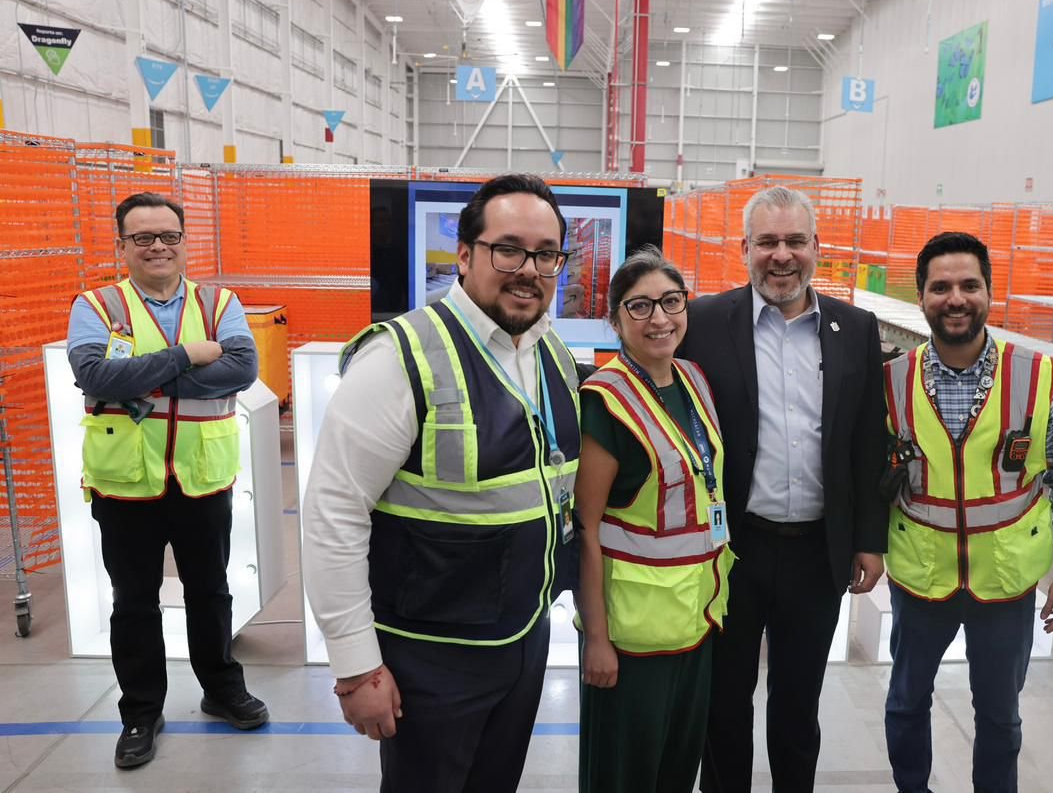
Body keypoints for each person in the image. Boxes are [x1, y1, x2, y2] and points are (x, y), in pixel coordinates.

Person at [302, 173, 581, 793]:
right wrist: (356, 666)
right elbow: (334, 513)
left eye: (546, 254)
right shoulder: (401, 357)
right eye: (507, 249)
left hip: (522, 636)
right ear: (463, 255)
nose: (528, 270)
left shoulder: (550, 354)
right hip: (429, 654)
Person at [680, 186, 890, 792]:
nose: (782, 255)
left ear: (816, 247)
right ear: (744, 248)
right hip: (731, 552)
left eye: (795, 241)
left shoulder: (854, 328)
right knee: (724, 705)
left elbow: (867, 441)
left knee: (798, 707)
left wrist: (868, 540)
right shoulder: (705, 323)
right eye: (767, 242)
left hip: (817, 554)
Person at [881, 231, 1053, 793]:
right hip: (921, 578)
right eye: (940, 287)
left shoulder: (1039, 377)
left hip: (1004, 581)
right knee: (905, 703)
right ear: (921, 298)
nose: (956, 299)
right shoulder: (892, 381)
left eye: (969, 285)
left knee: (1000, 716)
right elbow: (871, 478)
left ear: (989, 293)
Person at [66, 192, 268, 769]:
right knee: (134, 602)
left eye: (169, 236)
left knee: (211, 593)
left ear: (183, 241)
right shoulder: (97, 305)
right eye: (143, 237)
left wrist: (140, 380)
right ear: (122, 245)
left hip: (203, 477)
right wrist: (187, 354)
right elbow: (94, 374)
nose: (158, 246)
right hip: (126, 483)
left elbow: (242, 368)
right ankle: (140, 711)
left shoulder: (219, 302)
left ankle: (221, 689)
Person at [576, 246, 734, 793]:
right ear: (615, 319)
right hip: (631, 638)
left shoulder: (693, 379)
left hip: (695, 621)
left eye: (671, 301)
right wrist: (597, 639)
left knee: (676, 770)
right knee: (624, 776)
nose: (660, 318)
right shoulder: (605, 401)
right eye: (640, 306)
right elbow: (585, 529)